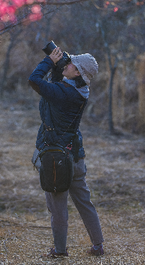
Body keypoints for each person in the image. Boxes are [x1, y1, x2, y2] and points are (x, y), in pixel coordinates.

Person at [28, 45, 105, 258]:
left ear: (78, 72)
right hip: (75, 154)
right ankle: (98, 245)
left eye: (70, 64)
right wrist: (59, 63)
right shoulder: (79, 90)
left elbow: (34, 80)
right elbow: (57, 83)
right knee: (83, 200)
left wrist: (49, 62)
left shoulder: (64, 93)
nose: (66, 63)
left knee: (57, 204)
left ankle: (60, 251)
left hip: (57, 156)